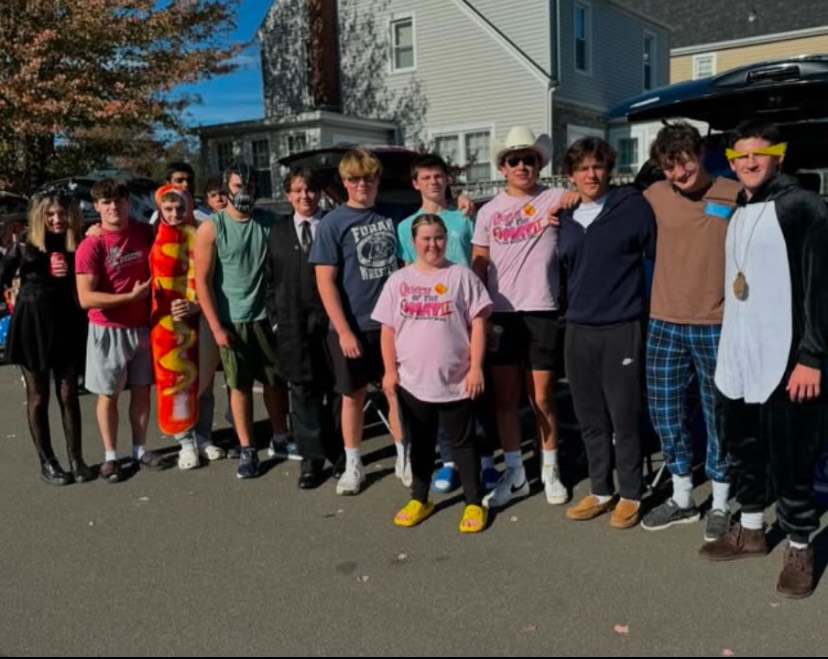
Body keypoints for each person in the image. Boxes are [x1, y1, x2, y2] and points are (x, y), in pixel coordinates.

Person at [699, 120, 828, 599]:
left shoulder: (803, 207)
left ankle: (799, 544)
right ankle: (751, 529)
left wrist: (813, 354)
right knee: (744, 446)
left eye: (759, 153)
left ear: (779, 155)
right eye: (739, 156)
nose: (749, 163)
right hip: (739, 355)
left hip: (788, 356)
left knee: (792, 457)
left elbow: (820, 287)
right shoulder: (741, 207)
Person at [639, 123, 741, 542]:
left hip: (718, 323)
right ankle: (682, 497)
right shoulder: (654, 196)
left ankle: (719, 502)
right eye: (669, 167)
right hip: (664, 321)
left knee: (720, 416)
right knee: (665, 411)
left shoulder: (735, 194)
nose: (678, 174)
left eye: (684, 163)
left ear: (701, 154)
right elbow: (605, 207)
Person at [556, 137, 655, 529]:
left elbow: (659, 258)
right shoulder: (564, 217)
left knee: (624, 416)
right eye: (582, 169)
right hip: (578, 329)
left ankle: (631, 493)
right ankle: (600, 489)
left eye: (597, 166)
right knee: (590, 418)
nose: (590, 174)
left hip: (622, 327)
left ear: (608, 169)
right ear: (572, 175)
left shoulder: (631, 207)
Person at [373, 214, 492, 532]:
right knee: (422, 443)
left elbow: (479, 324)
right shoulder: (399, 281)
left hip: (457, 380)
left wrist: (476, 367)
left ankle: (473, 503)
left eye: (438, 237)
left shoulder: (461, 276)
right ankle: (420, 498)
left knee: (464, 443)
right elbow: (388, 330)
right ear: (414, 243)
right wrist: (389, 372)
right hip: (413, 382)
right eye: (425, 238)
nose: (432, 244)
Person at [471, 125, 568, 509]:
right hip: (502, 314)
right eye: (514, 160)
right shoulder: (488, 211)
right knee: (506, 400)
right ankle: (515, 471)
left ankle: (550, 468)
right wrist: (477, 312)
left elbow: (587, 195)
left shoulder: (557, 198)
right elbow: (479, 263)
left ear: (539, 164)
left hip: (542, 310)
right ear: (503, 166)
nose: (522, 166)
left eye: (529, 159)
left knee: (543, 396)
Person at [397, 153, 499, 494]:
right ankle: (451, 462)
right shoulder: (405, 227)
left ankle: (485, 460)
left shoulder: (464, 216)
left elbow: (481, 258)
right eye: (425, 178)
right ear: (415, 183)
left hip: (466, 317)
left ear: (447, 180)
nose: (433, 182)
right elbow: (407, 273)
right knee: (436, 394)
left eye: (438, 176)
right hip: (431, 321)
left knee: (475, 392)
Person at [310, 148, 403, 496]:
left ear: (377, 180)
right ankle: (352, 462)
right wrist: (345, 330)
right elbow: (325, 281)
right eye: (354, 179)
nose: (362, 184)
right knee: (353, 396)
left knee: (396, 392)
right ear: (344, 183)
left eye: (368, 177)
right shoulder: (333, 223)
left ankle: (404, 454)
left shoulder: (394, 215)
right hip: (352, 327)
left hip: (391, 326)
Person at [194, 163, 290, 479]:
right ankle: (247, 448)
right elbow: (202, 283)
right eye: (237, 187)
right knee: (240, 386)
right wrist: (217, 327)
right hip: (232, 320)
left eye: (248, 187)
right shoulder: (212, 227)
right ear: (226, 189)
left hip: (266, 317)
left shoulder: (271, 223)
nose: (243, 192)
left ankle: (280, 437)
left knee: (275, 382)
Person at [75, 179, 166, 483]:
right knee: (109, 394)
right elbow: (86, 298)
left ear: (129, 203)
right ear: (97, 206)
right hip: (108, 329)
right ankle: (110, 456)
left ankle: (140, 449)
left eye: (119, 201)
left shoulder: (143, 231)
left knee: (142, 390)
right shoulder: (92, 244)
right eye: (107, 202)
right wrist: (129, 297)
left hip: (143, 327)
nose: (114, 207)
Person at [1, 190, 92, 484]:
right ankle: (48, 463)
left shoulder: (76, 243)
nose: (57, 219)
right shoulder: (25, 245)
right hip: (33, 324)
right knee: (38, 395)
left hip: (66, 321)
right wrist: (13, 264)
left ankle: (77, 458)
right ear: (39, 216)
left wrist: (67, 272)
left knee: (68, 392)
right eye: (50, 214)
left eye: (62, 214)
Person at [266, 168, 343, 488]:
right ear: (288, 195)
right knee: (302, 390)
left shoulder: (333, 224)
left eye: (310, 190)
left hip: (332, 321)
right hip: (292, 324)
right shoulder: (278, 231)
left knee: (339, 388)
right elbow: (270, 279)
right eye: (297, 191)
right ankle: (311, 459)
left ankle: (340, 453)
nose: (304, 197)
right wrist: (274, 320)